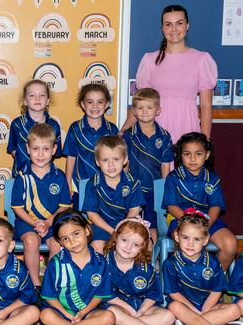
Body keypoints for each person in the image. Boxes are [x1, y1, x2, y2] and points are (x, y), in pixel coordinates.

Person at [123, 4, 218, 142]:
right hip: (154, 133)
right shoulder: (149, 60)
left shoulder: (202, 59)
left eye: (179, 23)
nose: (174, 29)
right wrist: (124, 130)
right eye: (168, 24)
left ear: (187, 25)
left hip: (188, 131)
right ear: (162, 28)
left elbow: (206, 106)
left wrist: (205, 141)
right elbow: (141, 103)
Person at [39, 209, 123, 325]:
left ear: (87, 230)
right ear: (60, 242)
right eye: (65, 238)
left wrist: (83, 312)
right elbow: (49, 297)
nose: (72, 241)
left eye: (76, 234)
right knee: (45, 315)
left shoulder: (100, 262)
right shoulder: (56, 263)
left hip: (87, 313)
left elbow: (99, 295)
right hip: (60, 313)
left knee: (110, 317)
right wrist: (66, 314)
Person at [163, 211, 243, 325]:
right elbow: (174, 293)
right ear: (177, 237)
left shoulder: (213, 262)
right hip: (184, 308)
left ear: (205, 240)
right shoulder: (170, 263)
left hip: (208, 307)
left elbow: (216, 290)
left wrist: (203, 311)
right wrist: (193, 311)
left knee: (235, 309)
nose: (190, 243)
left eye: (197, 239)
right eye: (185, 237)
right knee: (174, 307)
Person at [104, 218, 192, 325]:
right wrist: (129, 310)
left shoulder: (145, 268)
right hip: (118, 307)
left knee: (168, 316)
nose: (128, 247)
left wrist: (141, 311)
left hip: (140, 309)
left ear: (142, 248)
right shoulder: (102, 263)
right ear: (115, 237)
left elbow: (153, 293)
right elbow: (104, 294)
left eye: (136, 245)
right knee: (112, 313)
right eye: (124, 240)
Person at [163, 132, 236, 270]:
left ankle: (210, 280)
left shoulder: (213, 179)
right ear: (180, 155)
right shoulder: (173, 178)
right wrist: (188, 222)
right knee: (185, 243)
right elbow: (171, 206)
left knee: (230, 244)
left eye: (198, 154)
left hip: (207, 220)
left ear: (207, 155)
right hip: (180, 219)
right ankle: (185, 281)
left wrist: (207, 223)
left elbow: (215, 205)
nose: (192, 158)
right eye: (187, 154)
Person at [11, 123, 71, 288]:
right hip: (27, 223)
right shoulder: (22, 176)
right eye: (36, 148)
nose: (40, 154)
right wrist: (35, 223)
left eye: (46, 149)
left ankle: (50, 285)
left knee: (57, 244)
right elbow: (17, 208)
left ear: (54, 150)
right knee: (31, 240)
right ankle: (36, 285)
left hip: (52, 223)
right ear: (28, 149)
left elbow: (65, 206)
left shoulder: (59, 177)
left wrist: (47, 223)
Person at [123, 88, 174, 245]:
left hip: (154, 191)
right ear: (134, 112)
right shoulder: (128, 135)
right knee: (132, 226)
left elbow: (166, 165)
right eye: (140, 108)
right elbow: (125, 164)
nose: (144, 112)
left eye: (149, 108)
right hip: (134, 189)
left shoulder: (164, 136)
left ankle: (150, 264)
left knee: (152, 229)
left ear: (158, 110)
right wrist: (125, 185)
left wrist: (164, 190)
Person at [82, 136, 144, 253]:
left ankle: (132, 271)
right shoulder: (92, 184)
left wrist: (122, 230)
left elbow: (134, 211)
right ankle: (101, 271)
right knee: (97, 246)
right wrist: (112, 231)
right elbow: (92, 214)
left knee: (143, 243)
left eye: (116, 159)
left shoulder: (134, 183)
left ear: (125, 160)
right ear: (97, 162)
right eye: (105, 160)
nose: (111, 165)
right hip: (101, 226)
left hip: (127, 224)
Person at [64, 83, 119, 204]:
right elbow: (71, 157)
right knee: (81, 221)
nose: (95, 106)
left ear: (107, 104)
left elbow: (118, 159)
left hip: (106, 186)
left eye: (100, 102)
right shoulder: (75, 128)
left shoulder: (112, 129)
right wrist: (67, 183)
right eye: (90, 102)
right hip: (79, 186)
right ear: (83, 105)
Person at [7, 79, 62, 176]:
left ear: (48, 101)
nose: (37, 99)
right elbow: (13, 150)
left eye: (42, 95)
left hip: (46, 177)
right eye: (32, 95)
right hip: (21, 176)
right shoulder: (17, 124)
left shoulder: (54, 126)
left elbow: (56, 153)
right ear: (25, 101)